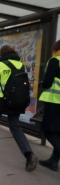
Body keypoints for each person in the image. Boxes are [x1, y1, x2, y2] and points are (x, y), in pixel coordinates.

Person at [0, 45, 38, 172]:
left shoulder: (0, 64)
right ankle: (29, 154)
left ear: (2, 53)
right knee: (15, 127)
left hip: (0, 100)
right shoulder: (20, 65)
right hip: (16, 100)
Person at [38, 40, 60, 171]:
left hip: (54, 100)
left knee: (48, 130)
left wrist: (42, 83)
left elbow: (47, 82)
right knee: (58, 131)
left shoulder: (55, 60)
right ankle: (53, 161)